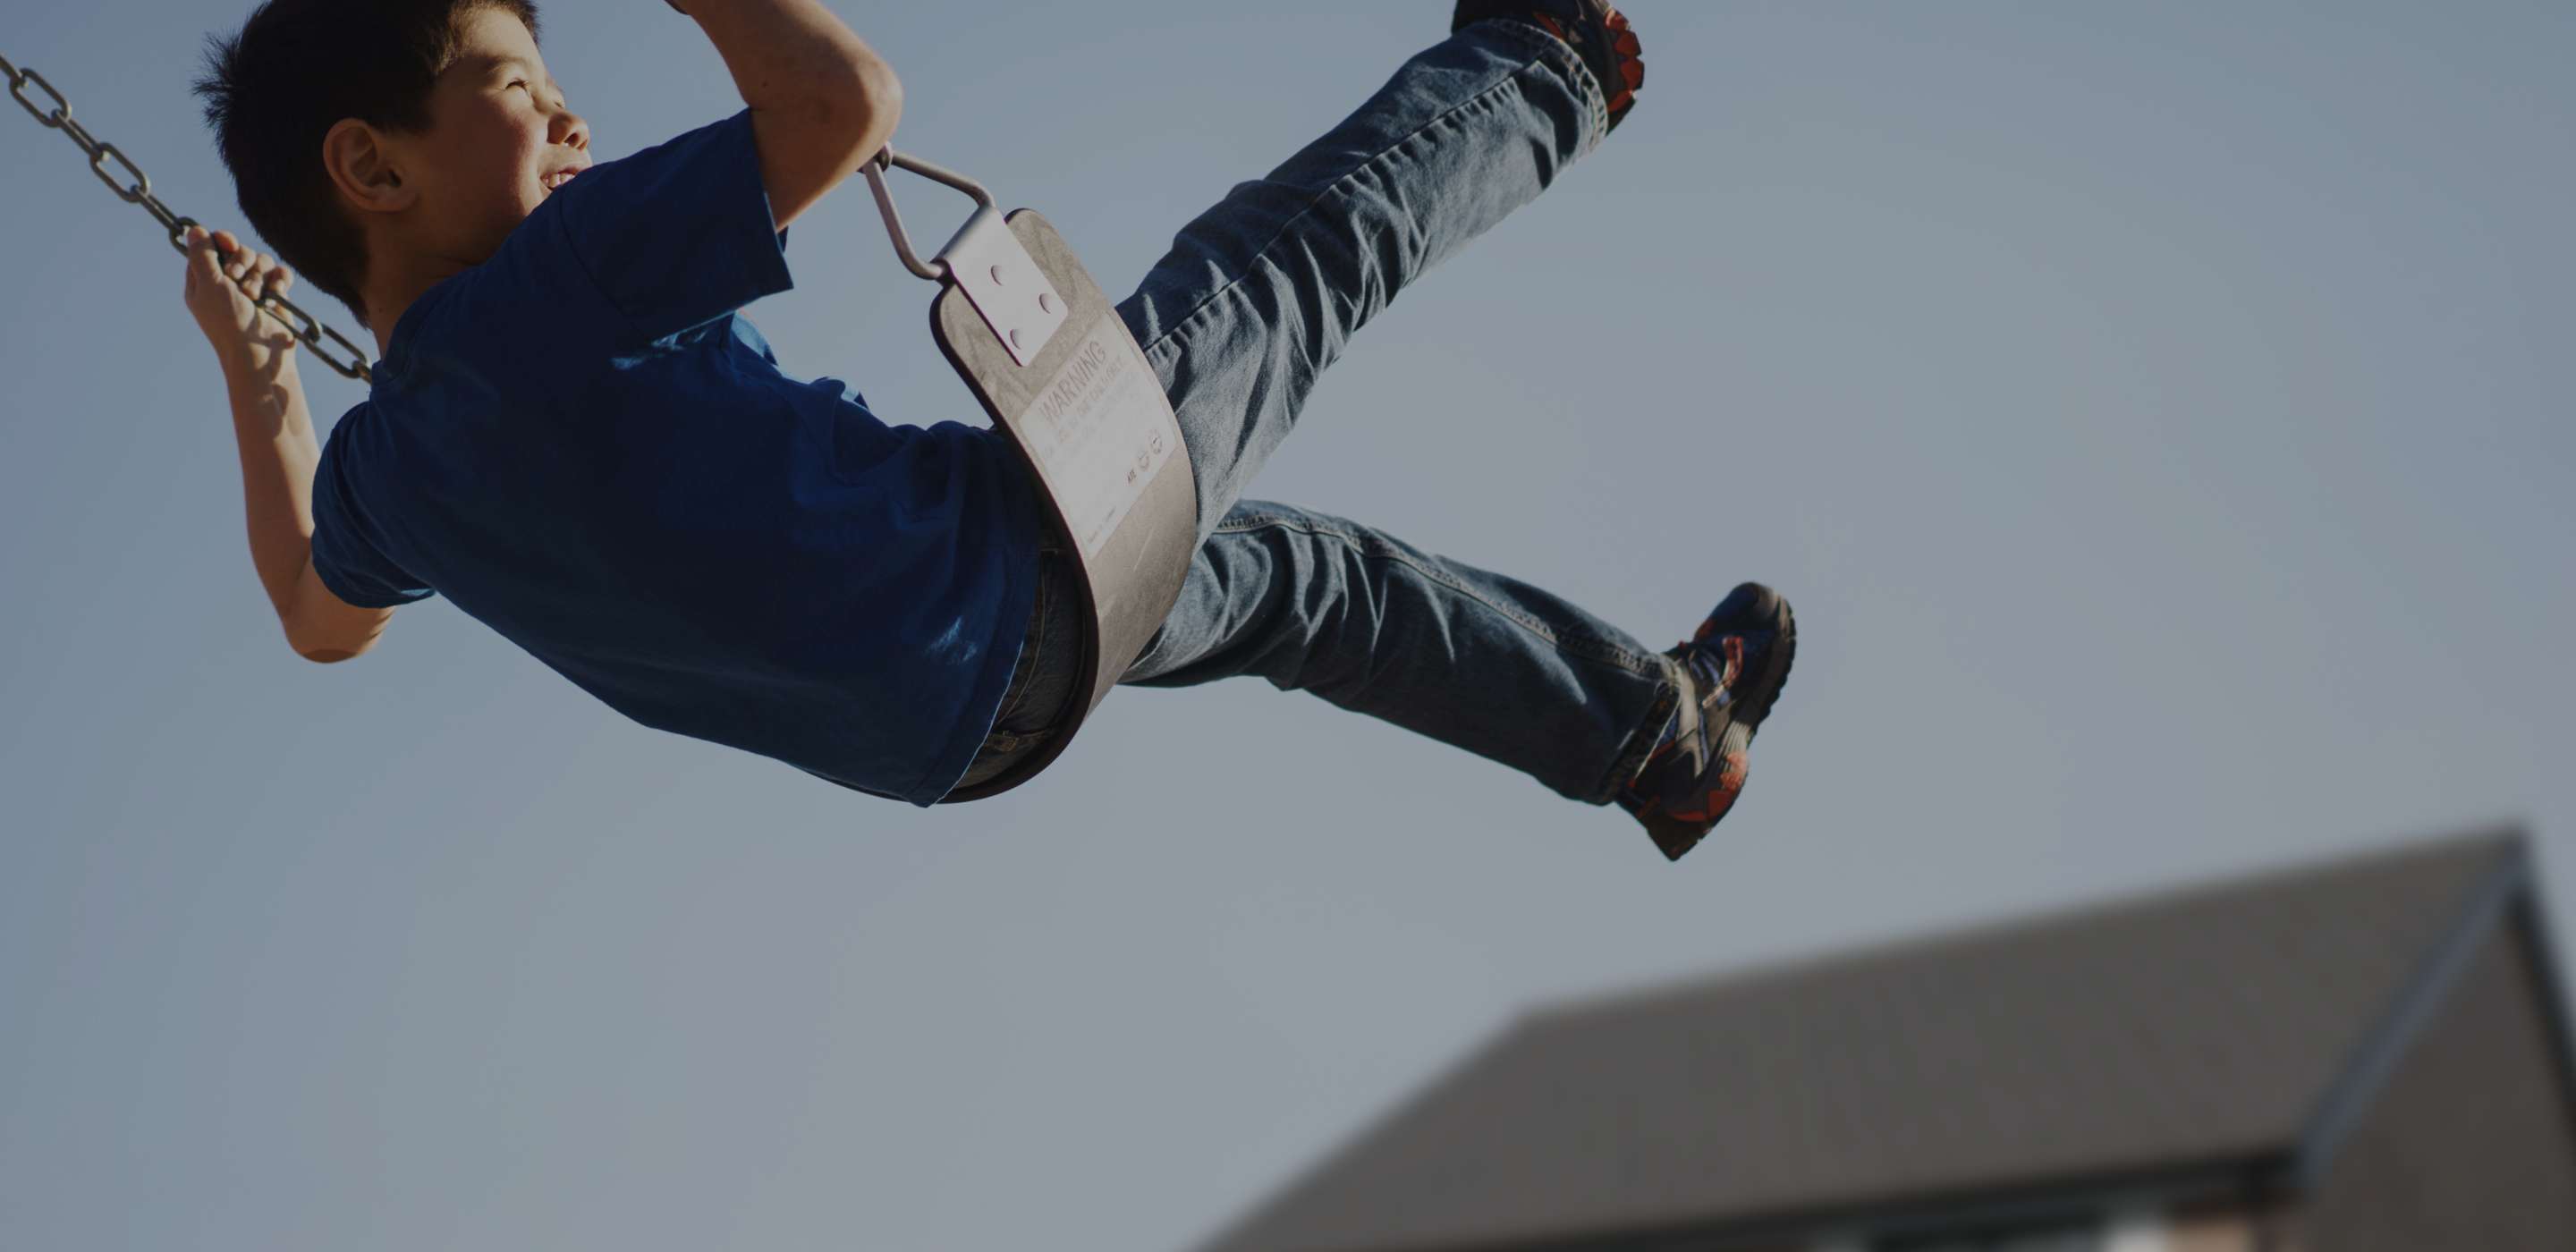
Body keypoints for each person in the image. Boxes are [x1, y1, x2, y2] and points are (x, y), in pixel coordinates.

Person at [182, 0, 1793, 861]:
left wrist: (268, 395)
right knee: (1284, 271)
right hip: (996, 566)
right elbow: (839, 104)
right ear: (374, 170)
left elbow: (320, 620)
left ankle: (1654, 737)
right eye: (515, 82)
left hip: (963, 732)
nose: (564, 113)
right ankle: (1548, 64)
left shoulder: (391, 468)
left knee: (1312, 589)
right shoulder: (547, 281)